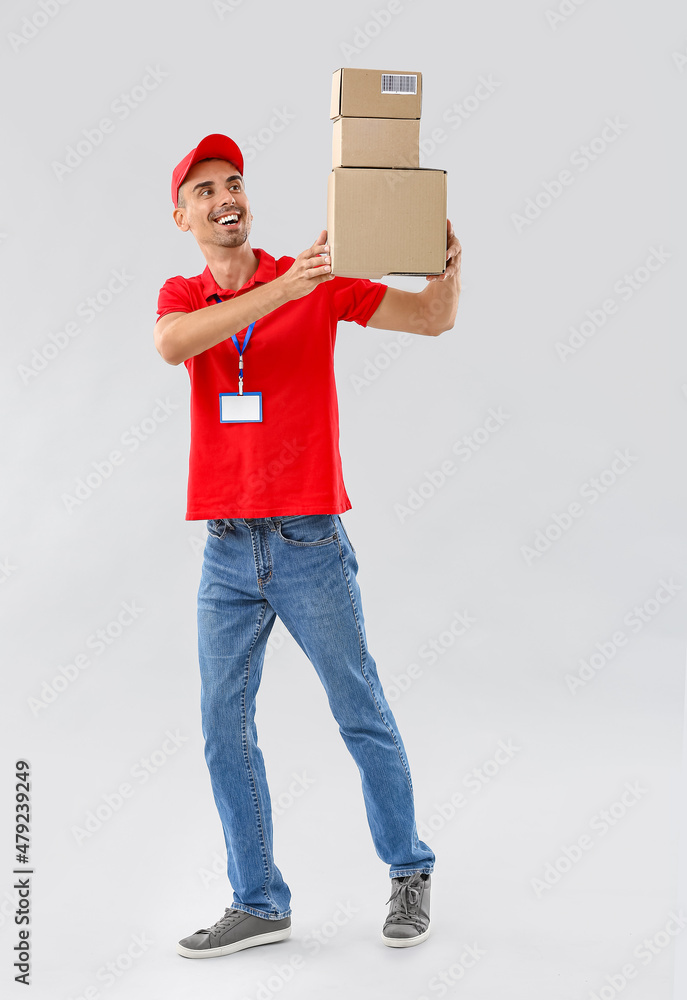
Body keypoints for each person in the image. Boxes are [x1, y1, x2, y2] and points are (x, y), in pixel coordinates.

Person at [154, 133, 462, 960]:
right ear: (182, 214)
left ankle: (407, 870)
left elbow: (432, 319)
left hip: (307, 541)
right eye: (207, 189)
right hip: (226, 550)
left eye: (237, 183)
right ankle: (257, 901)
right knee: (224, 727)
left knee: (358, 711)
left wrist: (444, 267)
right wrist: (281, 288)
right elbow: (175, 344)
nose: (227, 197)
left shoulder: (316, 281)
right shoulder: (183, 292)